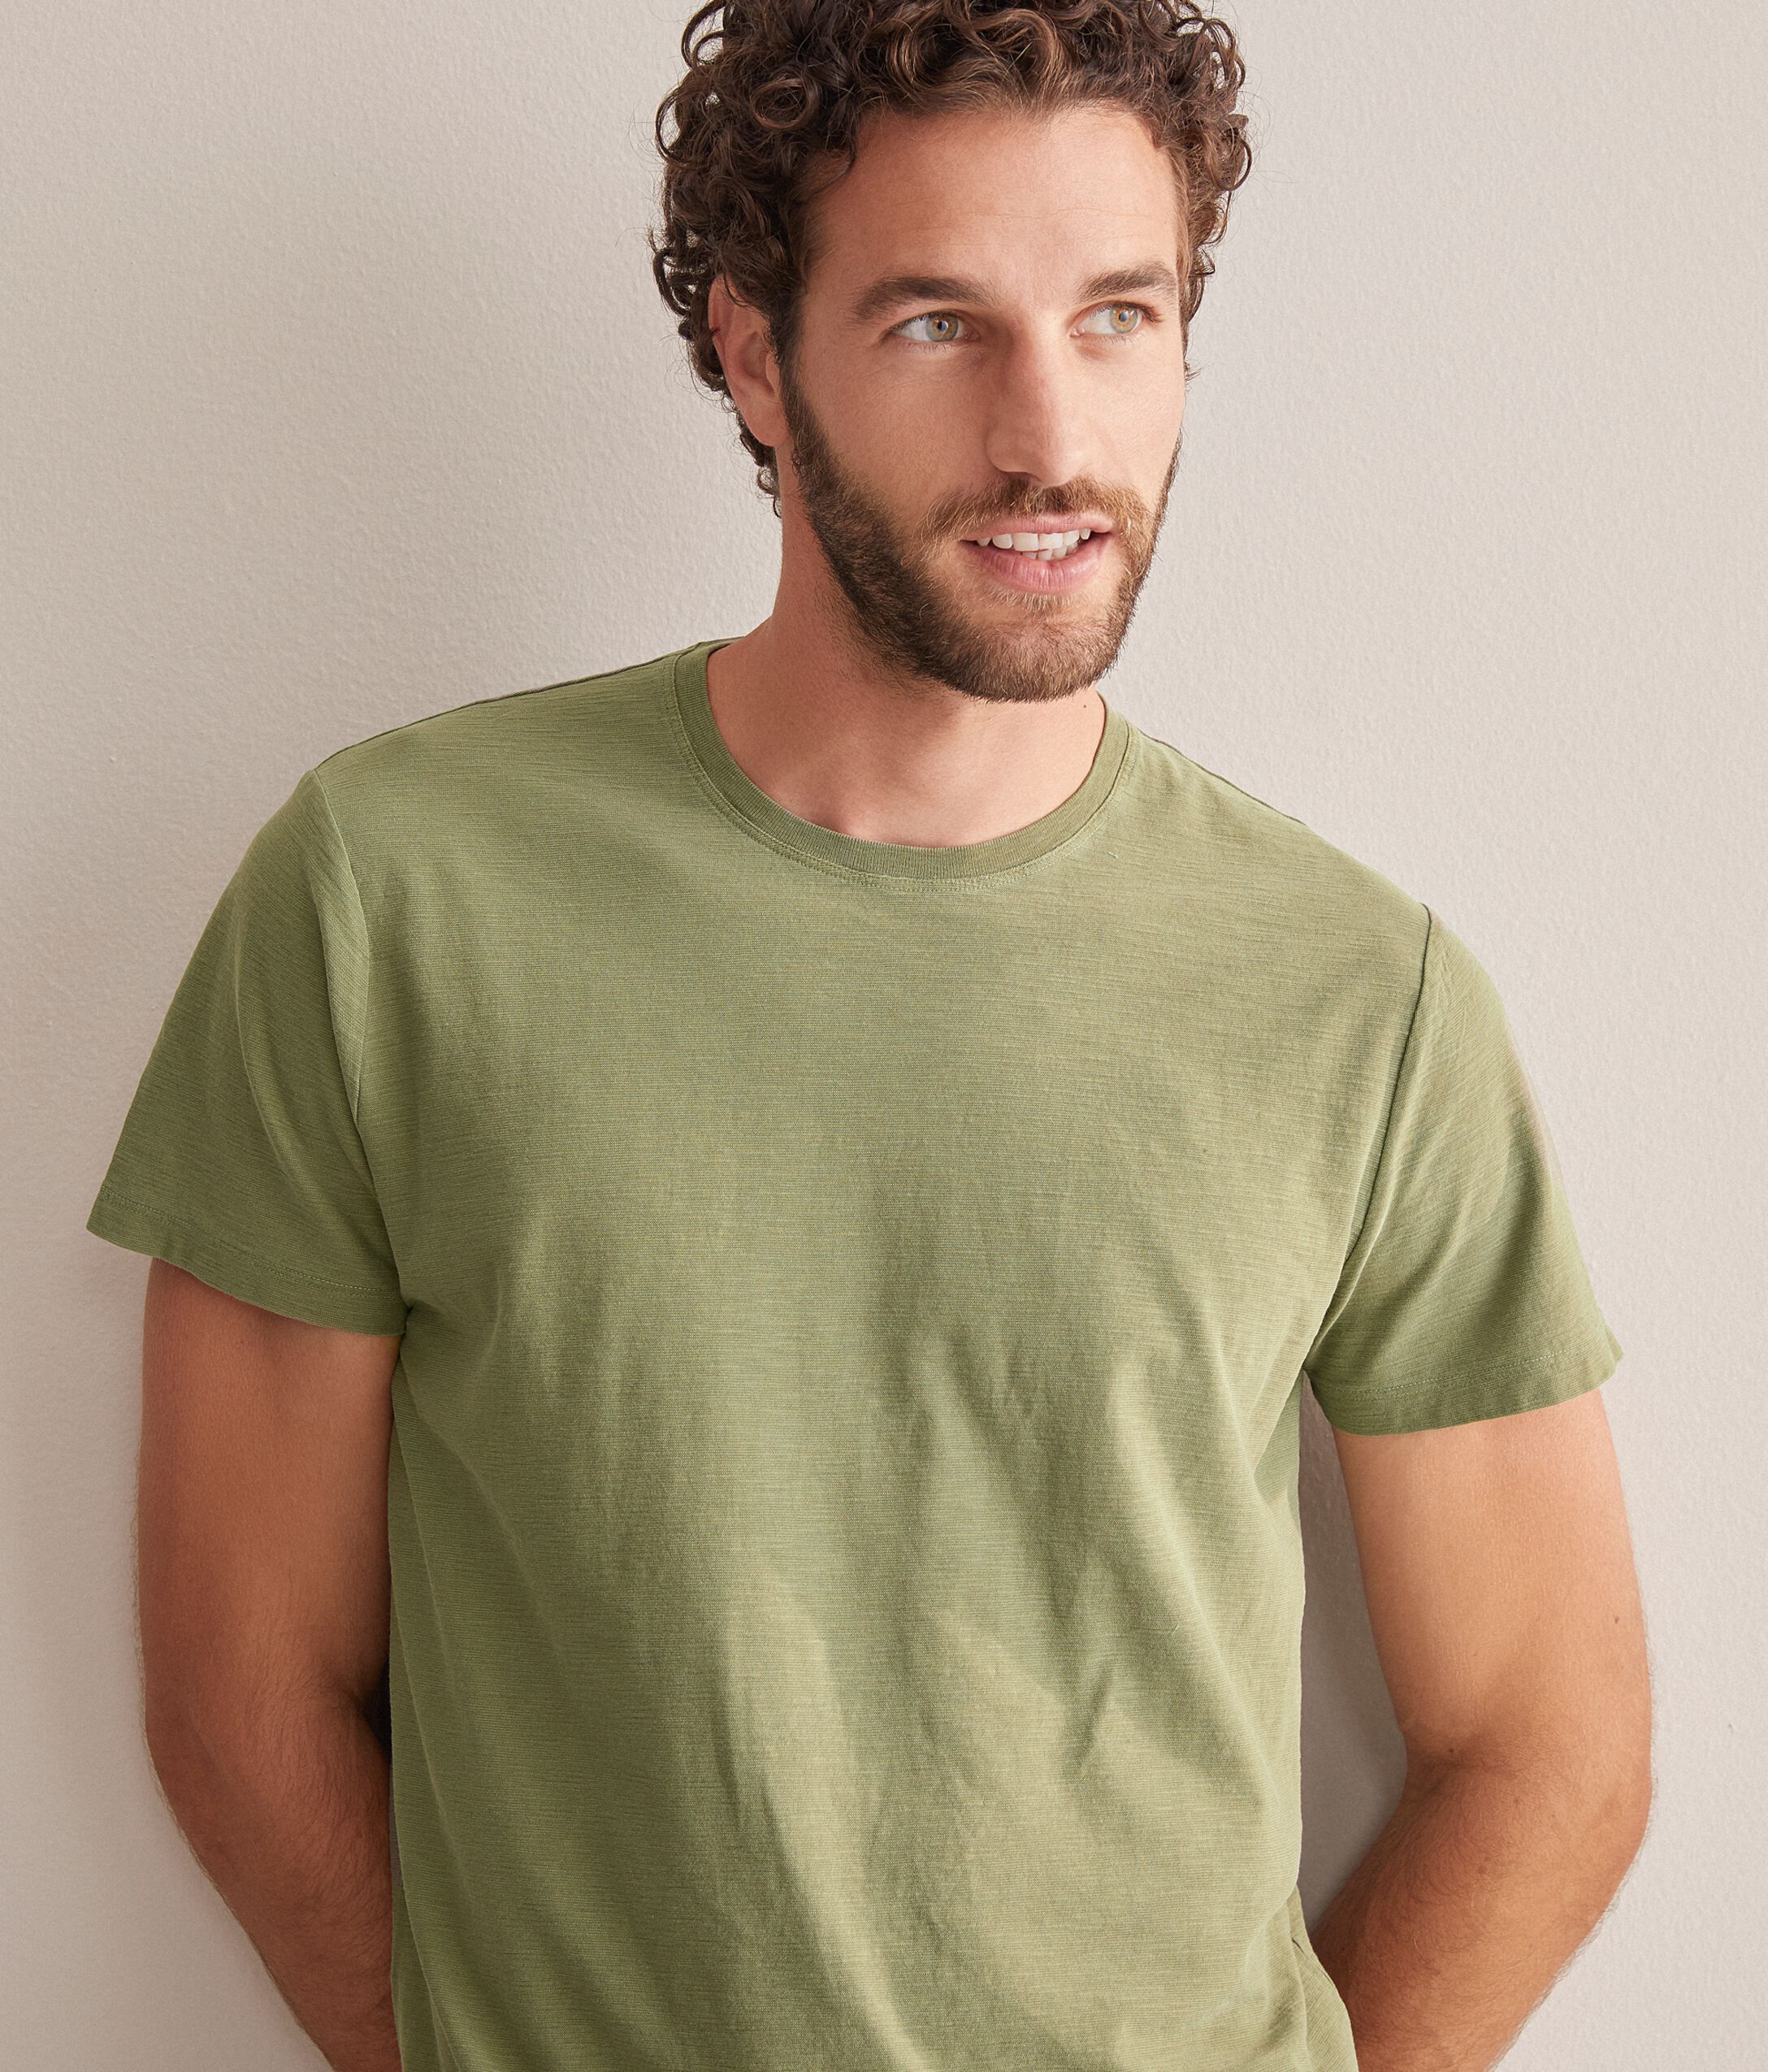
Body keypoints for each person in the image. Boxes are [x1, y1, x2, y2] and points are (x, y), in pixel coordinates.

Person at [86, 4, 1652, 2070]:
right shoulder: (391, 898)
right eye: (936, 325)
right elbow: (239, 1687)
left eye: (1116, 317)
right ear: (755, 353)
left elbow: (1547, 1739)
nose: (1045, 434)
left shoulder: (1362, 996)